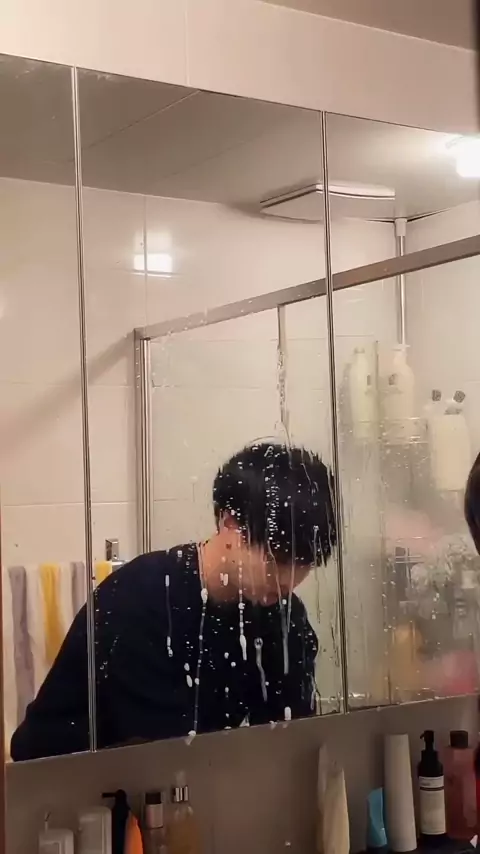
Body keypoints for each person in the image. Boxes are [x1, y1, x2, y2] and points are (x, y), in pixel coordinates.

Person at [11, 442, 336, 760]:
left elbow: (290, 742)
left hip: (155, 778)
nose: (287, 580)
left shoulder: (281, 616)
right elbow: (167, 758)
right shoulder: (140, 602)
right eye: (277, 557)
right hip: (54, 780)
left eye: (305, 561)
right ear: (229, 524)